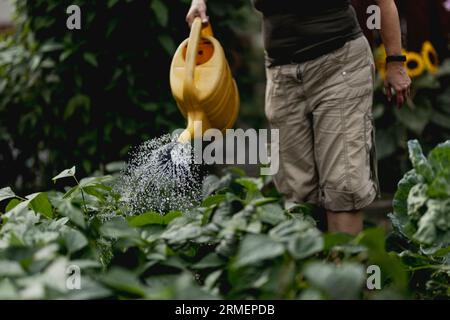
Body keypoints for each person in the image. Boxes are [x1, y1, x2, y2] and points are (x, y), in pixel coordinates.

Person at [186, 0, 411, 235]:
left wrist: (395, 62)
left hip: (339, 65)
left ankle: (343, 266)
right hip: (282, 75)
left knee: (344, 184)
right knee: (296, 189)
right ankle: (308, 266)